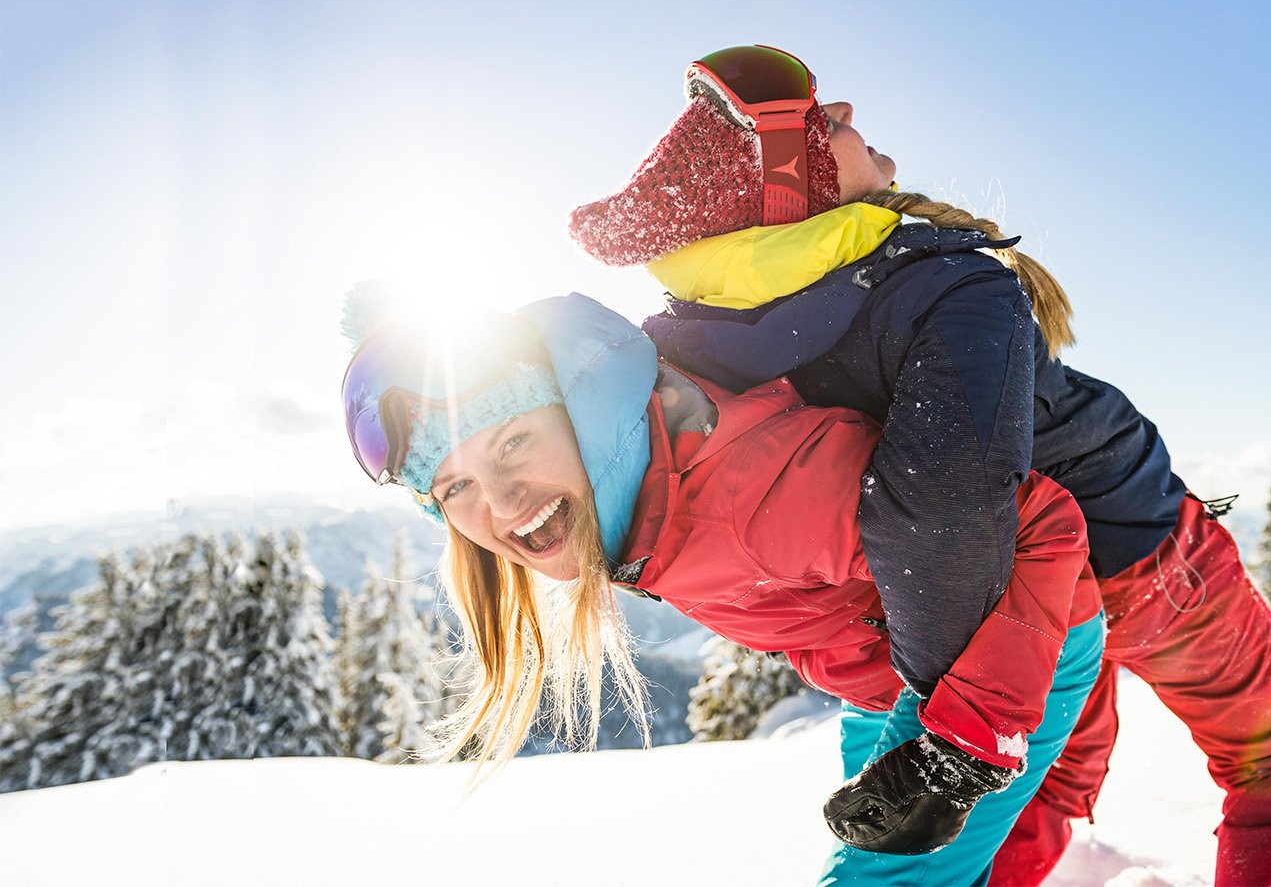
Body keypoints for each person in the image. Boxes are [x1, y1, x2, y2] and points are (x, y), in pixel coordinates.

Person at [567, 44, 1271, 886]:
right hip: (1141, 551)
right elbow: (944, 508)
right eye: (823, 121)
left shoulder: (695, 343)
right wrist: (957, 730)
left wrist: (933, 700)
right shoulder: (937, 284)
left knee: (1035, 794)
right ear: (792, 184)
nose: (847, 113)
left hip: (1003, 619)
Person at [338, 289, 1105, 881]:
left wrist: (967, 743)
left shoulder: (754, 495)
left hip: (1000, 655)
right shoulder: (637, 487)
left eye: (515, 441)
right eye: (455, 487)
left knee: (892, 873)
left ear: (583, 413)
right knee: (920, 845)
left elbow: (1039, 522)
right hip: (888, 672)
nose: (502, 506)